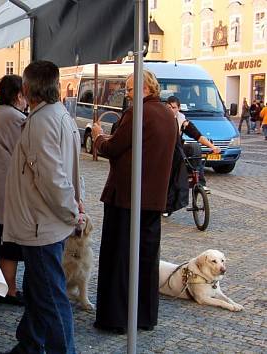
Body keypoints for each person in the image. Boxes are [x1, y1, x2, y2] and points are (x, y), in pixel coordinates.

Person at [3, 61, 84, 354]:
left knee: (50, 297)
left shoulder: (41, 121)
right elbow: (70, 170)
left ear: (26, 89)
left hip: (42, 226)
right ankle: (28, 345)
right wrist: (76, 204)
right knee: (41, 293)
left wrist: (72, 210)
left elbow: (53, 178)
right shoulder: (58, 115)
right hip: (45, 223)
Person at [91, 70, 176, 334]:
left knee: (119, 258)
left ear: (145, 88)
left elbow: (112, 148)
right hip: (153, 200)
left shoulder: (137, 113)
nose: (127, 95)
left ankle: (115, 318)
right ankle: (144, 317)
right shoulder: (168, 115)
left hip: (126, 198)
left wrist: (97, 136)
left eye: (129, 89)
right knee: (146, 260)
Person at [0, 74, 27, 306]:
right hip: (7, 189)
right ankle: (8, 290)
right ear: (18, 94)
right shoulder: (14, 117)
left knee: (4, 240)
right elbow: (24, 150)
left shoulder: (0, 114)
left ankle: (5, 287)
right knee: (9, 243)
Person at [166, 96, 221, 188]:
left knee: (194, 147)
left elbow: (198, 136)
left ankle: (200, 182)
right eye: (168, 108)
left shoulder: (182, 120)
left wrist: (212, 146)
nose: (171, 110)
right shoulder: (162, 118)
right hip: (165, 151)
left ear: (179, 108)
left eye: (174, 107)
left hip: (177, 150)